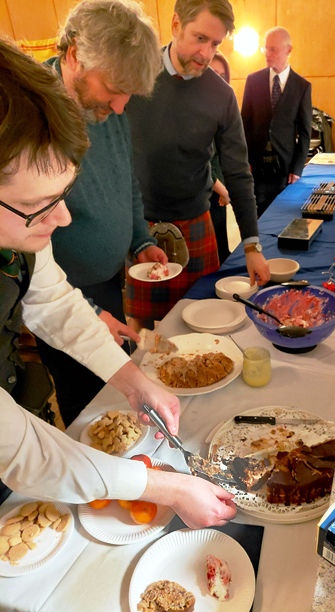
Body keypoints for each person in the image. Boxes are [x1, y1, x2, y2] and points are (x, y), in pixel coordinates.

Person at [0, 37, 236, 528]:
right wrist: (166, 487)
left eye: (62, 195)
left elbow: (53, 302)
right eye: (39, 204)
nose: (63, 218)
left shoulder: (20, 229)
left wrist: (132, 379)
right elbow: (20, 450)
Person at [34, 0, 169, 427]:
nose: (120, 107)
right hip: (59, 296)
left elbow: (125, 181)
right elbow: (30, 266)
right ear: (75, 54)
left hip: (107, 282)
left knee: (116, 393)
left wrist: (140, 238)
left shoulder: (106, 108)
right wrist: (89, 313)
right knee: (88, 412)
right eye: (113, 89)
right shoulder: (32, 114)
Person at [126, 0, 270, 328]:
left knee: (204, 323)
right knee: (142, 329)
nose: (206, 54)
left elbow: (237, 172)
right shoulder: (134, 76)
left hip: (196, 223)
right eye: (200, 38)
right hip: (140, 226)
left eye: (215, 43)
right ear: (176, 24)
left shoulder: (222, 95)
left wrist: (251, 245)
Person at [241, 26, 312, 217]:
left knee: (282, 217)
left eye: (273, 49)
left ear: (288, 50)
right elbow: (244, 125)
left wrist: (297, 168)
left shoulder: (302, 87)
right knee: (257, 217)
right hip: (256, 166)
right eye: (265, 48)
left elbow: (304, 132)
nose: (267, 54)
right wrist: (245, 160)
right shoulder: (253, 81)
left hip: (285, 168)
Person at [209, 51, 231, 264]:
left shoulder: (221, 107)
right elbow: (199, 161)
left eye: (222, 75)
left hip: (217, 189)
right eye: (212, 73)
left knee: (221, 247)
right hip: (205, 191)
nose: (218, 80)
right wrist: (221, 188)